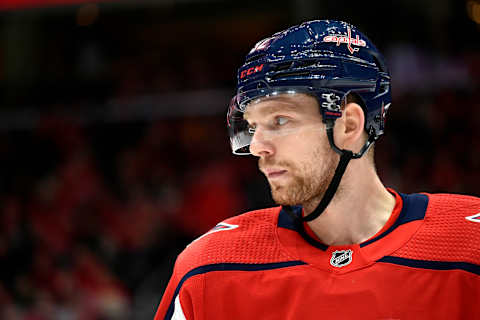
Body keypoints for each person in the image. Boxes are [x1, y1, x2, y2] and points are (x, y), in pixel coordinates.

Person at [154, 20, 480, 320]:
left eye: (280, 120)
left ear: (349, 125)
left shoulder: (470, 247)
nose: (257, 146)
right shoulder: (211, 269)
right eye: (253, 126)